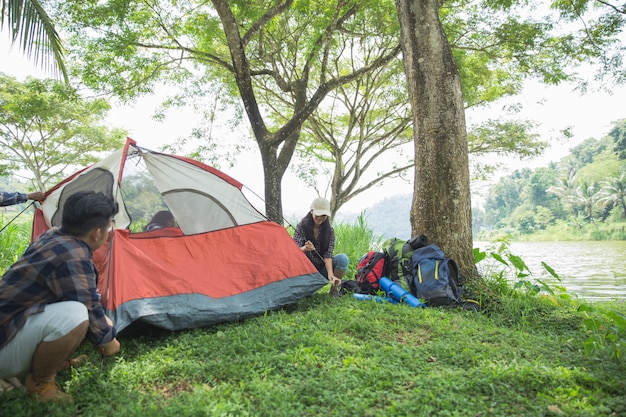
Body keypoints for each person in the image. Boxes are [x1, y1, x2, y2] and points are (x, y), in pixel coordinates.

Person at [0, 190, 121, 402]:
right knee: (75, 315)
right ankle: (40, 382)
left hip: (10, 326)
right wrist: (110, 342)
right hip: (5, 341)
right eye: (110, 225)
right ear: (97, 232)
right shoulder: (72, 255)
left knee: (74, 310)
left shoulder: (54, 235)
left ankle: (51, 360)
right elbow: (90, 309)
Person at [293, 197, 349, 296]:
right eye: (318, 215)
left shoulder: (329, 231)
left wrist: (331, 274)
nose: (320, 218)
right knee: (308, 295)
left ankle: (334, 290)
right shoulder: (301, 227)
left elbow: (328, 255)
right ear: (311, 211)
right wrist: (304, 248)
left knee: (343, 259)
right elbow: (294, 252)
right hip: (305, 271)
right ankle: (309, 288)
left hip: (321, 269)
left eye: (323, 215)